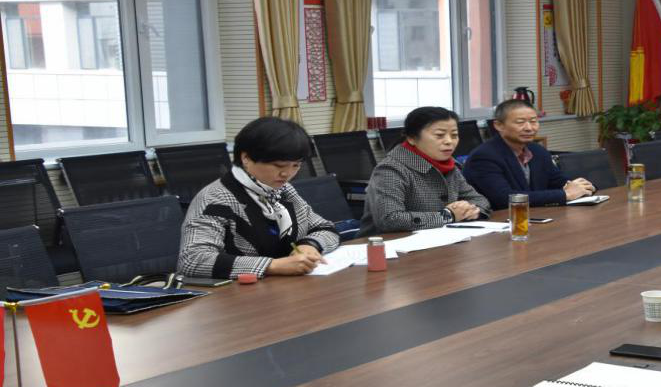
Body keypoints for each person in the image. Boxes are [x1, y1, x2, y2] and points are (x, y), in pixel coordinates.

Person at [179, 117, 338, 278]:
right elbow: (192, 260)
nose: (287, 174)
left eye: (296, 165)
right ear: (246, 158)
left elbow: (325, 228)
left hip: (286, 285)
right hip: (237, 290)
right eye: (279, 165)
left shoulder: (283, 190)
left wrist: (310, 244)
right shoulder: (216, 198)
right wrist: (272, 266)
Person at [363, 106, 491, 234]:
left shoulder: (450, 165)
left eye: (454, 135)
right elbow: (389, 219)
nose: (449, 141)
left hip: (442, 238)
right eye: (439, 135)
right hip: (388, 242)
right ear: (412, 138)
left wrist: (470, 211)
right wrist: (448, 215)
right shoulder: (391, 169)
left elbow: (480, 200)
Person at [462, 99, 595, 209]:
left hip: (535, 216)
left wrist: (583, 186)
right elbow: (503, 198)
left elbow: (558, 181)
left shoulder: (537, 151)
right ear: (498, 125)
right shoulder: (484, 156)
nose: (529, 128)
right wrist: (565, 195)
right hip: (501, 222)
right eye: (520, 122)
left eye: (533, 121)